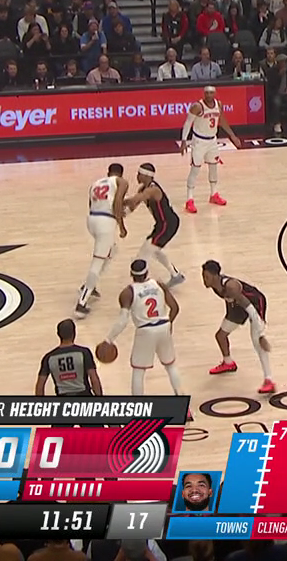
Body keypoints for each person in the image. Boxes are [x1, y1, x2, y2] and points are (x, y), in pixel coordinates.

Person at [102, 260, 188, 406]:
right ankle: (183, 405)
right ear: (147, 272)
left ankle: (138, 408)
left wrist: (109, 339)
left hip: (145, 330)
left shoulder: (128, 293)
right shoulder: (159, 285)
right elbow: (175, 308)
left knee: (138, 370)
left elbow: (122, 321)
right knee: (171, 366)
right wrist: (170, 324)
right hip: (163, 326)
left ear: (131, 274)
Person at [202, 260, 275, 395]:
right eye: (203, 276)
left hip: (254, 305)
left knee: (257, 343)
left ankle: (269, 380)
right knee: (220, 336)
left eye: (206, 277)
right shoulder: (215, 285)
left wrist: (260, 332)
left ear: (215, 276)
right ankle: (228, 363)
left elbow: (249, 307)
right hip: (237, 306)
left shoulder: (231, 287)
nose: (204, 280)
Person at [76, 163, 128, 316]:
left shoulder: (95, 183)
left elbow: (90, 204)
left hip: (92, 219)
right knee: (97, 262)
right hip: (106, 222)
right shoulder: (121, 182)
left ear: (108, 172)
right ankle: (82, 302)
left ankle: (90, 284)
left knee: (112, 250)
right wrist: (122, 226)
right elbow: (117, 203)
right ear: (121, 174)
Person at [180, 86, 242, 213]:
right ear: (204, 94)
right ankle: (189, 199)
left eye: (211, 93)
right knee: (195, 169)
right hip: (199, 141)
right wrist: (184, 140)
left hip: (212, 140)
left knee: (213, 167)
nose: (209, 95)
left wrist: (233, 136)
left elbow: (222, 121)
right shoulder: (197, 106)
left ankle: (214, 194)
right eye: (207, 93)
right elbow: (187, 123)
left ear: (215, 93)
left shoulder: (219, 104)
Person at [123, 163, 184, 285]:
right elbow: (132, 206)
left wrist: (118, 201)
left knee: (144, 253)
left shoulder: (153, 190)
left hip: (168, 224)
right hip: (161, 224)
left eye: (139, 174)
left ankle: (141, 284)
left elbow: (135, 199)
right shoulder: (142, 189)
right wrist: (121, 213)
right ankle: (176, 275)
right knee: (155, 250)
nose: (137, 176)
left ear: (146, 176)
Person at [36, 319, 102, 396]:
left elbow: (40, 386)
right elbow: (94, 379)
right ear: (74, 333)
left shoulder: (49, 358)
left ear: (58, 334)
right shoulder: (84, 352)